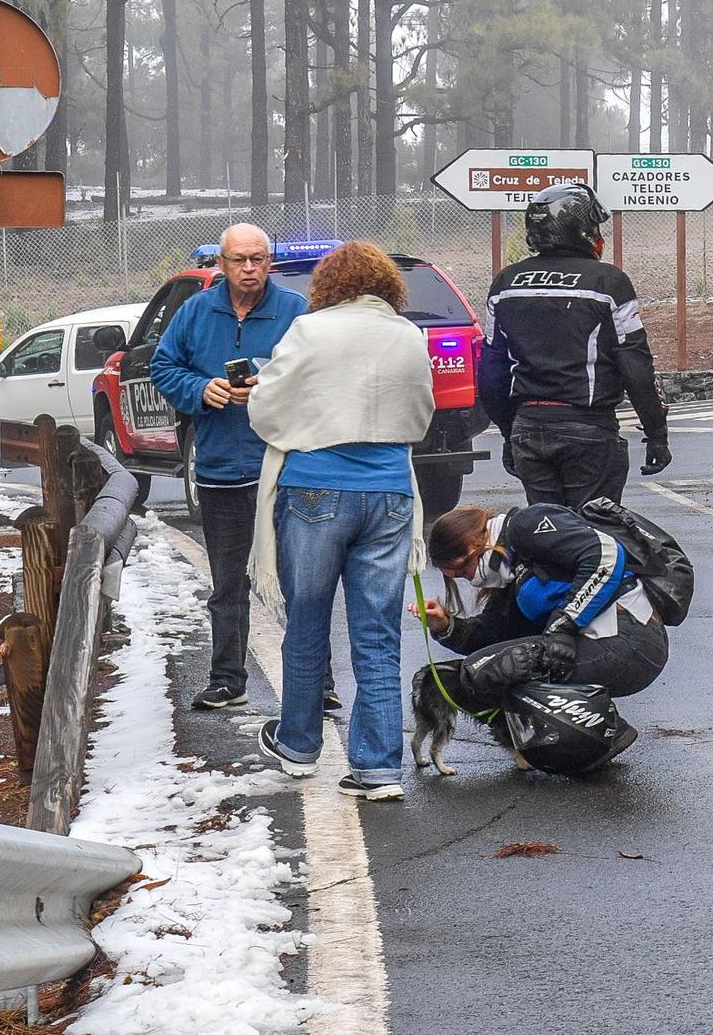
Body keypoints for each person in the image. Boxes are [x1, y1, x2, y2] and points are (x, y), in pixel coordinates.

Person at [249, 242, 435, 801]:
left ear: (327, 285)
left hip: (315, 490)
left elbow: (266, 411)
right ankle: (377, 767)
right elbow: (421, 415)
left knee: (306, 622)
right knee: (377, 634)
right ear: (387, 286)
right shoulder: (409, 335)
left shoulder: (309, 331)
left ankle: (299, 744)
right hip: (392, 494)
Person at [151, 223, 308, 712]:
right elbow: (163, 367)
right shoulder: (196, 311)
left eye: (258, 259)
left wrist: (272, 385)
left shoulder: (296, 312)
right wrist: (201, 391)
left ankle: (314, 681)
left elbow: (316, 376)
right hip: (220, 468)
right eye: (239, 260)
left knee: (303, 581)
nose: (249, 269)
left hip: (284, 468)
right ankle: (227, 679)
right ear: (220, 263)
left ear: (270, 261)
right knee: (227, 581)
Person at [477, 181, 671, 507]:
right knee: (594, 540)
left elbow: (491, 372)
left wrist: (510, 433)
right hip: (588, 429)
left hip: (528, 430)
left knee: (547, 535)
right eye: (594, 227)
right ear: (581, 230)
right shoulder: (608, 282)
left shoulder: (506, 283)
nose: (599, 236)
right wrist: (656, 434)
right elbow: (636, 366)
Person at [417, 503, 671, 720]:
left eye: (464, 570)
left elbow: (605, 555)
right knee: (480, 669)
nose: (471, 580)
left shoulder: (527, 525)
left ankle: (589, 737)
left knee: (500, 669)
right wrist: (445, 625)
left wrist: (564, 625)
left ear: (474, 542)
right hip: (599, 644)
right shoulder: (510, 573)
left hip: (630, 640)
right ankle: (576, 744)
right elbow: (493, 635)